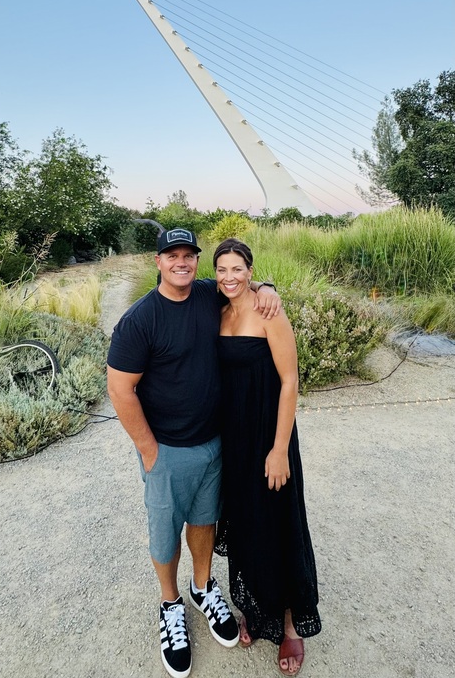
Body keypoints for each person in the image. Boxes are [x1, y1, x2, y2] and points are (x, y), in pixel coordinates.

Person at [106, 228, 281, 678]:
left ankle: (202, 587)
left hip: (214, 443)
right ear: (159, 261)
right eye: (172, 256)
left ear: (196, 262)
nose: (181, 262)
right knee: (165, 534)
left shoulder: (206, 294)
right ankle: (170, 605)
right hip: (167, 450)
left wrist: (267, 287)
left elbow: (240, 281)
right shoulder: (140, 320)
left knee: (204, 522)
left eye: (189, 255)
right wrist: (149, 451)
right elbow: (120, 389)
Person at [213, 238, 321, 676]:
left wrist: (279, 450)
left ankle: (291, 623)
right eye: (222, 269)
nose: (229, 277)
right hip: (233, 435)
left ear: (251, 269)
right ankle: (258, 611)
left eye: (238, 269)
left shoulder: (268, 310)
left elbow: (290, 380)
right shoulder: (217, 309)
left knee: (278, 519)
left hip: (270, 433)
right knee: (245, 519)